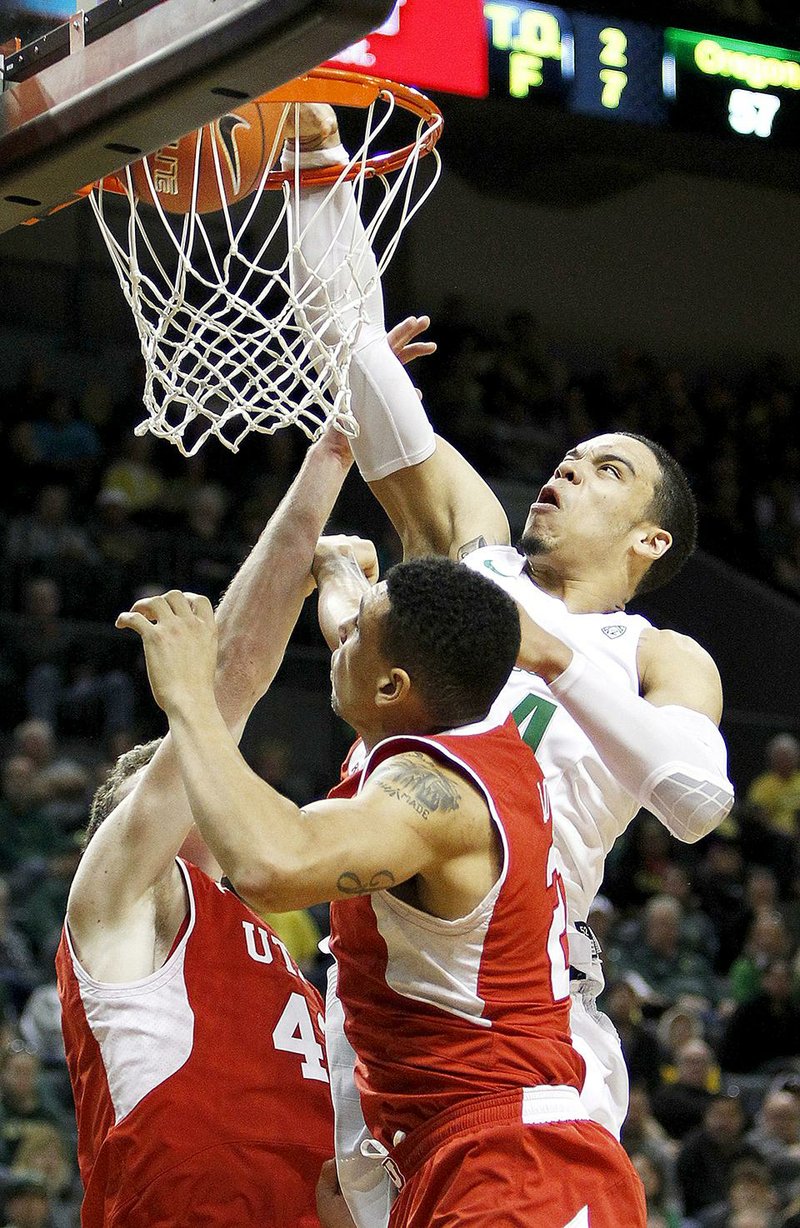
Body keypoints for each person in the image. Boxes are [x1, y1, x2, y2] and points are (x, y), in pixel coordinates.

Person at [285, 107, 735, 1154]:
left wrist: (546, 651)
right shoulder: (468, 545)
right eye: (572, 455)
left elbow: (693, 799)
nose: (571, 468)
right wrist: (309, 163)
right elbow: (357, 356)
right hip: (372, 975)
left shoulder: (657, 655)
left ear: (649, 541)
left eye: (606, 470)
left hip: (509, 993)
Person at [117, 555, 647, 1228]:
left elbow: (270, 867)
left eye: (360, 634)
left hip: (517, 1166)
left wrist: (193, 699)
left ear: (393, 686)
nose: (342, 638)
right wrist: (337, 565)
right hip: (461, 1156)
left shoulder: (433, 797)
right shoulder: (449, 722)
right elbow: (352, 621)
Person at [55, 429, 358, 1227]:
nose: (219, 774)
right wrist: (331, 456)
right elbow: (227, 685)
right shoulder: (123, 900)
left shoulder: (271, 945)